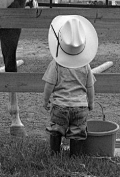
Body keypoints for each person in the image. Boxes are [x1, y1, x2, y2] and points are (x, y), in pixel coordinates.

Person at [42, 15, 98, 155]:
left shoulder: (56, 64)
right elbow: (90, 86)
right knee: (78, 132)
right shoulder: (86, 66)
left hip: (60, 105)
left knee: (56, 130)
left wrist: (45, 100)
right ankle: (75, 155)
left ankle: (55, 153)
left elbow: (49, 85)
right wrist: (91, 102)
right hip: (80, 107)